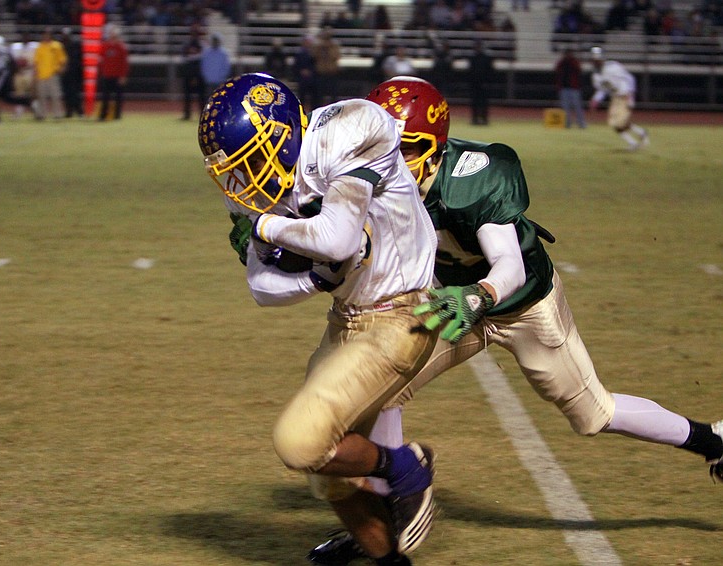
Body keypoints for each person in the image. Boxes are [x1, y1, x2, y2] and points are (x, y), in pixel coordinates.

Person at [309, 75, 723, 563]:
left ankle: (711, 439)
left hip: (522, 303)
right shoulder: (371, 181)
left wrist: (479, 295)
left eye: (403, 147)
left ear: (435, 145)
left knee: (593, 415)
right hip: (449, 301)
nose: (389, 161)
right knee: (382, 379)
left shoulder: (474, 177)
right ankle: (386, 513)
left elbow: (509, 263)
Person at [199, 73, 442, 565]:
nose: (244, 181)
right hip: (347, 317)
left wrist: (266, 226)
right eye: (234, 170)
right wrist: (317, 282)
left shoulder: (353, 125)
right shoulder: (258, 189)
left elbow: (337, 241)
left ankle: (404, 464)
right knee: (325, 476)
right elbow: (261, 286)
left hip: (404, 313)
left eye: (250, 160)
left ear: (283, 132)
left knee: (297, 440)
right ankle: (389, 560)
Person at [588, 46, 650, 151]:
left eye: (597, 60)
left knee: (619, 122)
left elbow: (629, 78)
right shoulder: (596, 76)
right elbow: (603, 90)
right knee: (614, 124)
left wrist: (631, 96)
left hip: (625, 95)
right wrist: (596, 99)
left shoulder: (613, 66)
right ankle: (637, 138)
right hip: (615, 98)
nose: (596, 62)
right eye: (594, 60)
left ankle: (639, 137)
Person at [32, 27, 67, 120]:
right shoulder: (40, 47)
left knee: (55, 96)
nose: (46, 36)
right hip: (41, 74)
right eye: (44, 34)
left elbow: (62, 59)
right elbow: (36, 62)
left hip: (53, 74)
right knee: (41, 96)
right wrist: (35, 74)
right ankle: (42, 115)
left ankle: (58, 114)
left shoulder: (57, 46)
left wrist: (61, 68)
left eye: (48, 34)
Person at [97, 24, 129, 121]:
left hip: (117, 76)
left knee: (118, 97)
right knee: (105, 96)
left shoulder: (121, 47)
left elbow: (124, 63)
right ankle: (103, 115)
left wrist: (123, 76)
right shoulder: (104, 46)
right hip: (107, 75)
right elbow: (100, 60)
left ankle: (117, 115)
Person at [555, 47, 586, 128]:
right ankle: (567, 123)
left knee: (577, 106)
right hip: (564, 88)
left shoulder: (574, 62)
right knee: (565, 107)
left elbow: (578, 69)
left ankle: (581, 123)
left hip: (574, 88)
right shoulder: (562, 63)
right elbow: (557, 69)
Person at [179, 26, 205, 121]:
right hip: (188, 73)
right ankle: (187, 114)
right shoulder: (187, 44)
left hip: (199, 74)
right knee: (187, 95)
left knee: (201, 96)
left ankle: (202, 115)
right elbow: (184, 56)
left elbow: (203, 57)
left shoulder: (202, 45)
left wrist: (193, 56)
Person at [313, 27, 341, 105]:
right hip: (321, 71)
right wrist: (321, 47)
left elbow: (336, 56)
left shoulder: (334, 45)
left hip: (332, 71)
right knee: (319, 93)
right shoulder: (318, 46)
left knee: (333, 93)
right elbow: (314, 55)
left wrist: (329, 47)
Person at [467, 39, 492, 125]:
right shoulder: (472, 58)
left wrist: (488, 82)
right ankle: (475, 118)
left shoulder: (486, 58)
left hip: (484, 83)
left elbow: (490, 71)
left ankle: (484, 118)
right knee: (475, 102)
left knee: (484, 102)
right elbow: (470, 71)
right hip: (475, 83)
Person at [60, 27, 84, 118]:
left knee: (75, 93)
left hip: (74, 73)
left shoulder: (75, 45)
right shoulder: (61, 46)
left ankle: (79, 111)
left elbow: (78, 60)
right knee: (67, 93)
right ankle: (69, 111)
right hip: (65, 73)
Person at [293, 34, 317, 111]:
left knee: (314, 96)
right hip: (302, 78)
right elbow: (296, 66)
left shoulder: (314, 53)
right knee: (302, 96)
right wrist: (301, 71)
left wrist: (311, 71)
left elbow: (316, 65)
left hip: (312, 78)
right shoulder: (299, 53)